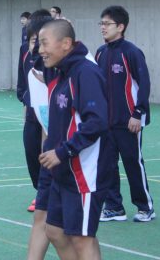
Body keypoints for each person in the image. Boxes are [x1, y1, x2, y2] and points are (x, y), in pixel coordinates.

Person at [38, 19, 109, 260]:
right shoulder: (62, 71)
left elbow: (97, 122)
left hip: (84, 172)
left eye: (45, 43)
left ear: (66, 44)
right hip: (62, 170)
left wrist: (62, 151)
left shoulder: (86, 73)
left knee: (82, 238)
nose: (40, 50)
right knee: (54, 231)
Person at [96, 5, 154, 222]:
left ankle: (145, 207)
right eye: (101, 23)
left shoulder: (131, 52)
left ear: (120, 27)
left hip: (129, 121)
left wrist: (138, 113)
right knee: (107, 165)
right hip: (106, 122)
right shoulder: (101, 52)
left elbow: (144, 84)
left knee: (133, 163)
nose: (102, 27)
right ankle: (114, 207)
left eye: (107, 23)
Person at [17, 10, 51, 212]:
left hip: (51, 114)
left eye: (40, 41)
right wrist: (25, 101)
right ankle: (40, 191)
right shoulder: (24, 51)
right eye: (32, 41)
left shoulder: (54, 57)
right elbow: (22, 82)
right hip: (31, 112)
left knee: (48, 153)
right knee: (31, 151)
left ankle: (47, 194)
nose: (36, 46)